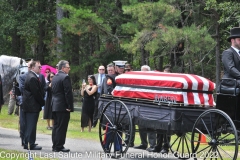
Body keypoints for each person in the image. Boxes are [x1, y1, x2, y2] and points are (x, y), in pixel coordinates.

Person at [22, 60, 45, 150]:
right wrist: (42, 102)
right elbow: (36, 93)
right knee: (31, 125)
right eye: (39, 67)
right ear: (32, 67)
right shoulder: (32, 77)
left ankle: (29, 142)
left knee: (31, 124)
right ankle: (29, 143)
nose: (40, 68)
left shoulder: (32, 76)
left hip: (31, 105)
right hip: (32, 105)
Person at [51, 60, 73, 152]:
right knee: (62, 126)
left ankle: (55, 145)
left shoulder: (55, 77)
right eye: (68, 67)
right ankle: (59, 146)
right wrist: (69, 106)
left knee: (56, 126)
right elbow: (68, 93)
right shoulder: (65, 77)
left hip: (55, 104)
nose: (69, 69)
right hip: (63, 105)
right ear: (63, 68)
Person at [134, 65, 156, 151]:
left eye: (145, 71)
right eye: (142, 71)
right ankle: (143, 143)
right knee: (141, 124)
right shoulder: (139, 81)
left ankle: (152, 145)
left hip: (150, 104)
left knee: (150, 125)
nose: (143, 72)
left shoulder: (152, 80)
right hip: (141, 103)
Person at [150, 65, 172, 154]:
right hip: (160, 106)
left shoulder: (172, 83)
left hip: (169, 107)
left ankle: (165, 147)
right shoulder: (161, 82)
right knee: (159, 127)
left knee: (167, 129)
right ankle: (158, 146)